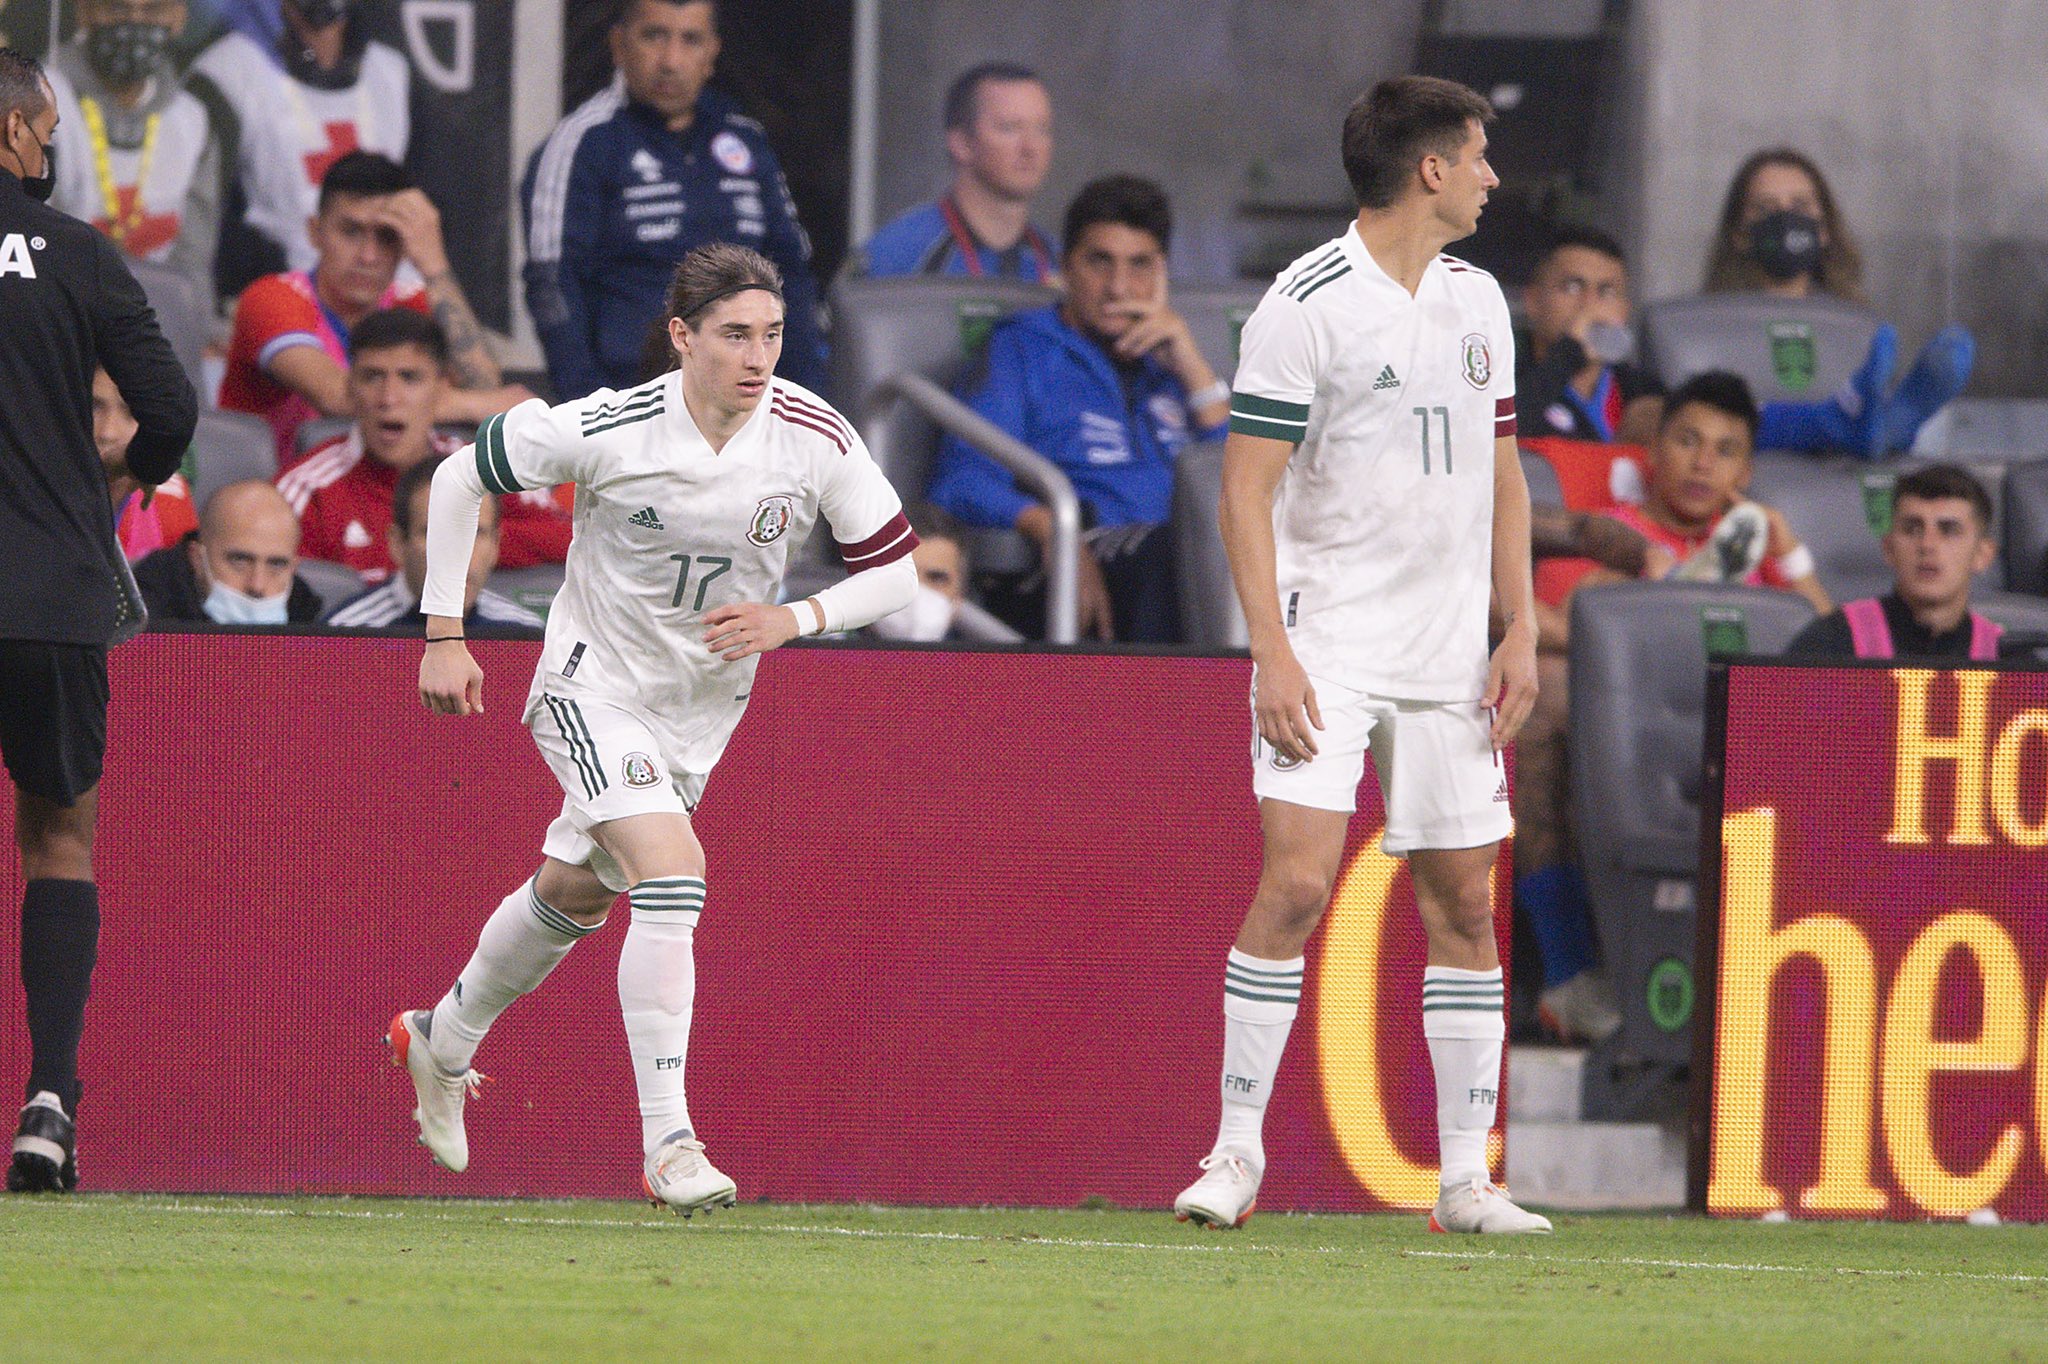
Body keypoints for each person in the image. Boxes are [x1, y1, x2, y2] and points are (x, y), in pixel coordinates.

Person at [390, 242, 918, 1212]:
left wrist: (791, 618)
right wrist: (443, 633)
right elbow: (462, 475)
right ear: (682, 338)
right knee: (673, 871)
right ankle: (670, 1140)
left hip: (696, 714)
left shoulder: (811, 433)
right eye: (732, 336)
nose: (757, 357)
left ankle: (443, 1036)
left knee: (577, 893)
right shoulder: (611, 424)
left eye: (771, 335)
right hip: (590, 686)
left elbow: (897, 570)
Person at [1172, 76, 1548, 1236]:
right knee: (1294, 884)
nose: (1491, 176)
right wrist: (1269, 652)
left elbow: (1501, 468)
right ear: (1428, 169)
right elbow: (1244, 489)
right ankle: (1233, 1154)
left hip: (1448, 657)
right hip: (1325, 640)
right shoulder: (1303, 304)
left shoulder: (1481, 301)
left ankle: (1461, 1181)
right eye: (1477, 156)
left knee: (1466, 905)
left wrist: (1519, 621)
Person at [0, 48, 197, 1193]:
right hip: (50, 593)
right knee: (57, 841)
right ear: (24, 132)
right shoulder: (76, 252)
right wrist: (118, 488)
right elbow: (167, 407)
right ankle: (45, 1103)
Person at [927, 175, 1229, 642]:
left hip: (1195, 554)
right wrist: (1050, 527)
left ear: (1161, 273)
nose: (1118, 287)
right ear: (1066, 266)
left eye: (1140, 265)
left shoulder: (1174, 361)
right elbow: (961, 481)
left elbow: (1243, 488)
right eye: (1099, 262)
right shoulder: (1022, 349)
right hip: (1088, 556)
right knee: (1183, 555)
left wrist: (1193, 369)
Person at [522, 0, 825, 401]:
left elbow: (795, 277)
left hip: (750, 404)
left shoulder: (746, 141)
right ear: (618, 44)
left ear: (711, 53)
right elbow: (552, 285)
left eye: (690, 40)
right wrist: (593, 411)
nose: (670, 60)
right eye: (654, 36)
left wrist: (802, 401)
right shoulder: (582, 144)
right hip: (630, 399)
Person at [219, 151, 529, 463]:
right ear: (315, 232)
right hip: (281, 496)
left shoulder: (413, 303)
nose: (369, 256)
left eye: (386, 237)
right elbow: (337, 396)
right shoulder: (271, 297)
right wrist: (470, 405)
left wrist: (434, 264)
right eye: (351, 231)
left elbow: (484, 383)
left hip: (382, 492)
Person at [1703, 148, 1972, 458]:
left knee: (1884, 430)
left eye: (1800, 206)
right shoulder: (1701, 328)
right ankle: (1842, 421)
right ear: (1738, 233)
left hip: (1843, 485)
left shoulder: (1861, 329)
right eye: (1765, 209)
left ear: (1825, 229)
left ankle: (1894, 424)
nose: (1785, 219)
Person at [278, 309, 571, 583]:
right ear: (350, 387)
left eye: (409, 378)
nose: (389, 398)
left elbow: (570, 537)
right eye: (372, 377)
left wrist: (463, 539)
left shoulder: (480, 468)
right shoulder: (307, 489)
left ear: (442, 388)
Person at [187, 0, 409, 280]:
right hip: (282, 288)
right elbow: (199, 222)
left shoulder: (391, 70)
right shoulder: (226, 70)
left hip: (389, 286)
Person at [46, 0, 222, 313]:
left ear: (178, 17)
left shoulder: (193, 120)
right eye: (116, 9)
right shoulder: (36, 104)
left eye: (152, 10)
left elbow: (192, 265)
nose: (134, 23)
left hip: (156, 331)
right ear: (84, 12)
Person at [854, 62, 1056, 282]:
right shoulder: (895, 256)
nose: (1031, 148)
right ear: (961, 143)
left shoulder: (1060, 263)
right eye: (1009, 128)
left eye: (1042, 129)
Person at [1786, 464, 2002, 660]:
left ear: (1983, 555)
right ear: (1888, 548)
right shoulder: (1827, 646)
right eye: (1912, 529)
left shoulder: (2005, 656)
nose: (1927, 545)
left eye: (1948, 531)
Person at [323, 456, 543, 634]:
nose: (458, 554)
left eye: (474, 533)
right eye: (437, 533)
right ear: (398, 544)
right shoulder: (345, 637)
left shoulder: (527, 637)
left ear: (495, 545)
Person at [1517, 227, 1662, 445]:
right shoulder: (1501, 377)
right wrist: (1569, 353)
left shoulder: (1643, 392)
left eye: (1607, 292)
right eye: (1573, 287)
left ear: (1624, 310)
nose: (1589, 305)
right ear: (1533, 300)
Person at [131, 478, 323, 624]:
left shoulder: (308, 620)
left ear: (293, 567)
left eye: (276, 565)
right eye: (239, 561)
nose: (257, 585)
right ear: (196, 558)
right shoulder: (141, 617)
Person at [95, 366, 198, 561]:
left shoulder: (172, 502)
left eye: (133, 412)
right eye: (93, 407)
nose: (108, 433)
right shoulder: (32, 488)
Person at [870, 500, 971, 642]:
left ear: (959, 597)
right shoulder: (830, 659)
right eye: (898, 577)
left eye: (936, 579)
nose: (916, 594)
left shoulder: (990, 663)